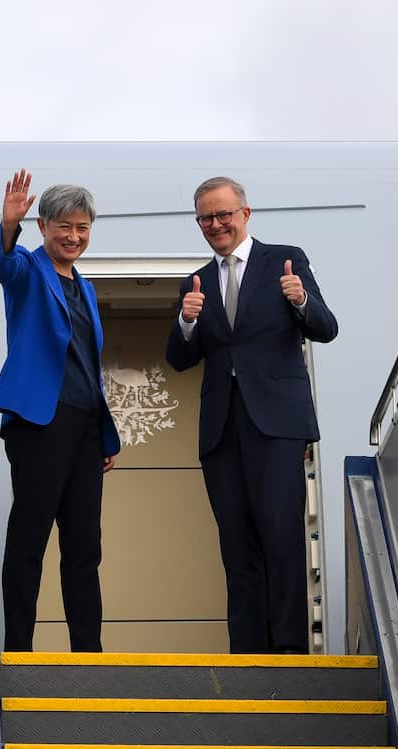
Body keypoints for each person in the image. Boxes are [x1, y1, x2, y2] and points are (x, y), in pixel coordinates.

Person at [165, 176, 338, 654]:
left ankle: (287, 655)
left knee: (280, 537)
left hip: (277, 425)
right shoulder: (195, 282)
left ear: (245, 214)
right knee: (236, 546)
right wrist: (187, 320)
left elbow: (326, 328)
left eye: (223, 214)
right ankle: (246, 657)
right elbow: (178, 359)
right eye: (206, 217)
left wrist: (300, 300)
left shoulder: (285, 259)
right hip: (223, 430)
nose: (215, 224)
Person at [0, 169, 120, 653]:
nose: (74, 236)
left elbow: (89, 362)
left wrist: (104, 435)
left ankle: (89, 652)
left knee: (85, 544)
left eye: (82, 228)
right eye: (64, 226)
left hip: (85, 427)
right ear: (43, 226)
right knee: (30, 537)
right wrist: (7, 227)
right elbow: (3, 266)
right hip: (40, 423)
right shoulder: (28, 269)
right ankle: (19, 647)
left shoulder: (84, 287)